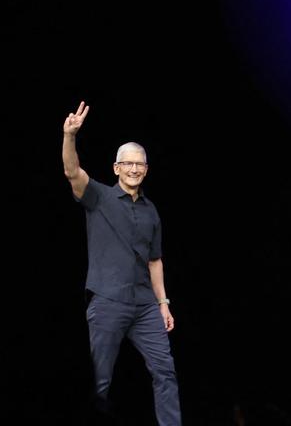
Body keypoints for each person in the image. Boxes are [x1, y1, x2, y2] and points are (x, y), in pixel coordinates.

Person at [63, 100, 181, 425]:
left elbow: (155, 261)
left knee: (165, 373)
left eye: (139, 164)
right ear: (116, 168)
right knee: (99, 382)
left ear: (146, 169)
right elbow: (72, 172)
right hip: (107, 301)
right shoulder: (98, 196)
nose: (134, 169)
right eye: (127, 164)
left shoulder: (151, 211)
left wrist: (164, 303)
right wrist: (69, 136)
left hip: (145, 305)